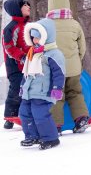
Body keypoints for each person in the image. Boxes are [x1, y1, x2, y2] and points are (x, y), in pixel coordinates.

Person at [46, 0, 89, 134]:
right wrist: (78, 60)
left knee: (56, 96)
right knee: (75, 93)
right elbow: (82, 47)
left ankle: (56, 125)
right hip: (74, 68)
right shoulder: (75, 24)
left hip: (54, 69)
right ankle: (81, 118)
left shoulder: (46, 26)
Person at [19, 18, 65, 150]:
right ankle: (32, 135)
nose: (34, 41)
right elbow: (26, 73)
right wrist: (23, 86)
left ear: (47, 36)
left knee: (40, 114)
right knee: (24, 112)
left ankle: (51, 138)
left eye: (38, 38)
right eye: (33, 38)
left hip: (44, 92)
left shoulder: (54, 54)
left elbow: (59, 73)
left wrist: (57, 89)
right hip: (30, 91)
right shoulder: (33, 53)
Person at [2, 0, 31, 129]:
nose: (28, 7)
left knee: (28, 89)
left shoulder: (28, 26)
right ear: (17, 9)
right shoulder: (11, 27)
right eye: (25, 5)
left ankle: (24, 114)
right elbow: (9, 46)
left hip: (28, 65)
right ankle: (10, 116)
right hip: (15, 66)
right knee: (17, 89)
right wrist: (22, 56)